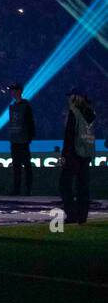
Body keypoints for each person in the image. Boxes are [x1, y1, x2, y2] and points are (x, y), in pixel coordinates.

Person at [59, 89, 96, 224]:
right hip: (86, 153)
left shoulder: (73, 113)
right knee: (83, 186)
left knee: (64, 185)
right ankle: (82, 216)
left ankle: (72, 214)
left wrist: (64, 155)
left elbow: (69, 136)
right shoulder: (90, 113)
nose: (68, 99)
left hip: (73, 153)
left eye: (70, 96)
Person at [6, 82, 36, 196]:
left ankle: (28, 189)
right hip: (15, 139)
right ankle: (17, 189)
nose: (11, 92)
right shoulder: (13, 106)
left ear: (18, 91)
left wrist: (29, 137)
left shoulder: (25, 106)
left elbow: (30, 122)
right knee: (16, 165)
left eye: (13, 90)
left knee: (26, 164)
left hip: (23, 139)